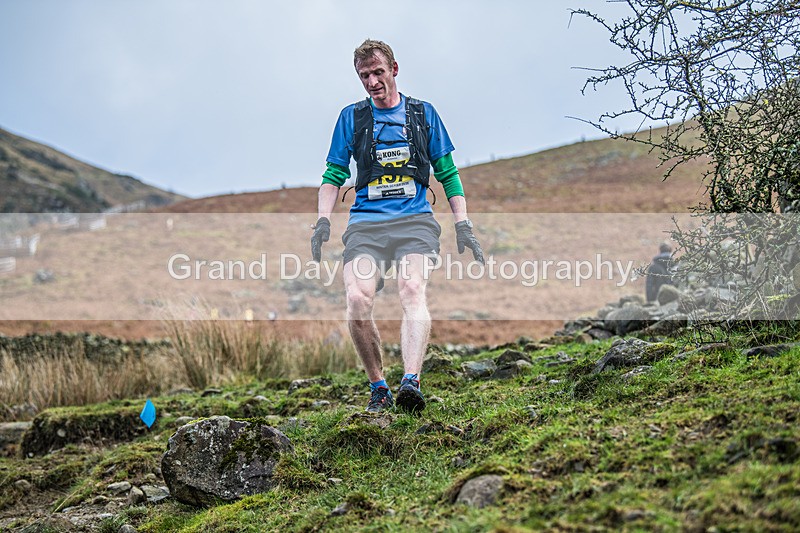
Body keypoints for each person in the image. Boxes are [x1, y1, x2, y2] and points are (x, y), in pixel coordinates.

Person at [311, 39, 484, 413]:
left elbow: (448, 173)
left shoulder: (423, 114)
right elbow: (333, 173)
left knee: (411, 289)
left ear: (394, 70)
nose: (372, 81)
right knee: (357, 299)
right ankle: (379, 388)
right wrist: (323, 221)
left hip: (415, 223)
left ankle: (411, 382)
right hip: (367, 224)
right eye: (364, 76)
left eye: (378, 72)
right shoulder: (352, 118)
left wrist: (464, 225)